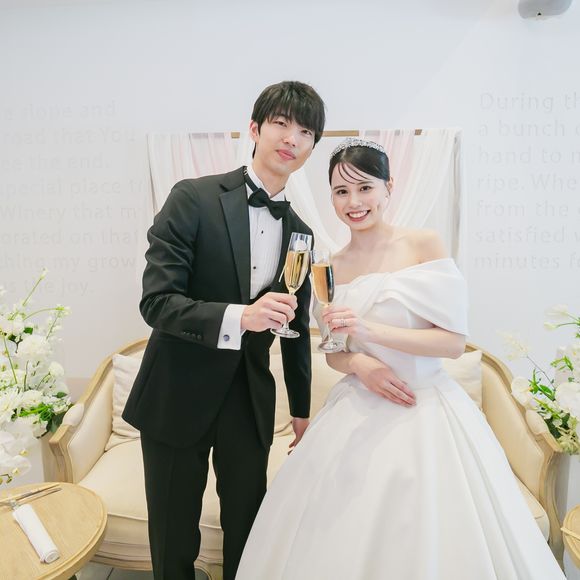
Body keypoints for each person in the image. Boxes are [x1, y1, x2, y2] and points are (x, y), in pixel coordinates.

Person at [235, 138, 566, 579]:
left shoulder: (423, 245)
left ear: (389, 187)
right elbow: (335, 351)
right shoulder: (329, 265)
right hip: (356, 406)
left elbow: (452, 343)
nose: (354, 202)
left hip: (424, 404)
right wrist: (359, 364)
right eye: (341, 191)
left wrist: (368, 331)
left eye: (365, 188)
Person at [122, 81, 326, 580]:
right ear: (254, 129)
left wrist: (301, 411)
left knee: (249, 533)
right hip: (177, 391)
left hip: (248, 399)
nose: (292, 138)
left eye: (305, 132)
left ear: (312, 147)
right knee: (173, 539)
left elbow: (296, 326)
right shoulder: (193, 198)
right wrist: (241, 317)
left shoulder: (301, 232)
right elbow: (157, 302)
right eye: (280, 123)